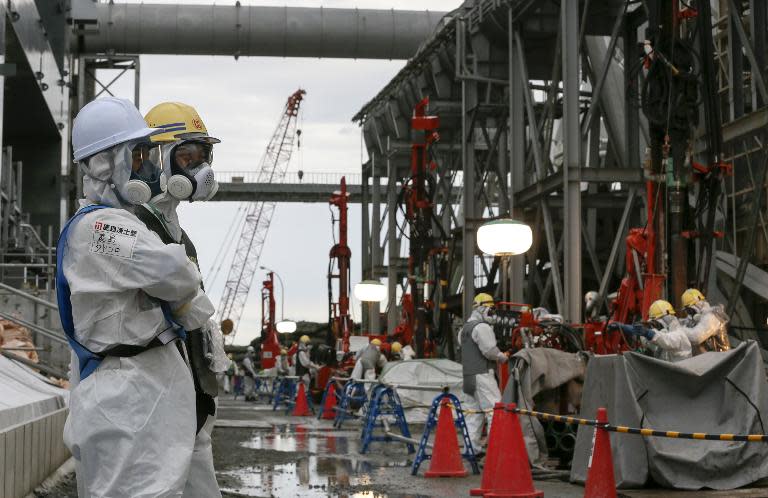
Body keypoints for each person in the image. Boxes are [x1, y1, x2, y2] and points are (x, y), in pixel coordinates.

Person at [59, 97, 213, 497]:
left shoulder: (122, 222)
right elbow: (175, 275)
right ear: (105, 164)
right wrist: (179, 277)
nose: (146, 166)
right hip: (127, 398)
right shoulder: (99, 227)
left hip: (145, 393)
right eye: (139, 154)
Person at [142, 101, 227, 498]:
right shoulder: (136, 225)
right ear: (157, 158)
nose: (198, 169)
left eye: (203, 156)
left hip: (190, 398)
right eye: (187, 156)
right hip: (158, 400)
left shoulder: (175, 231)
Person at [459, 293, 508, 455]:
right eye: (491, 309)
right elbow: (490, 351)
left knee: (474, 415)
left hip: (468, 377)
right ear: (483, 308)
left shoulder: (464, 328)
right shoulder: (482, 327)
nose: (492, 313)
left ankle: (471, 449)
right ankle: (496, 450)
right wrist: (503, 357)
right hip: (482, 375)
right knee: (495, 410)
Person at [608, 299, 692, 362]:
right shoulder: (661, 334)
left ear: (667, 319)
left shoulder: (679, 335)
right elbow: (646, 337)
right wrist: (623, 327)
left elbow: (665, 340)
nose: (656, 327)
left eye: (657, 323)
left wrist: (647, 332)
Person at [679, 288, 730, 353]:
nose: (690, 314)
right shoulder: (701, 317)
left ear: (697, 305)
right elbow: (686, 323)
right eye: (687, 311)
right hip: (709, 360)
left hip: (721, 360)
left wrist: (679, 329)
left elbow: (696, 337)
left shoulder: (712, 317)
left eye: (690, 310)